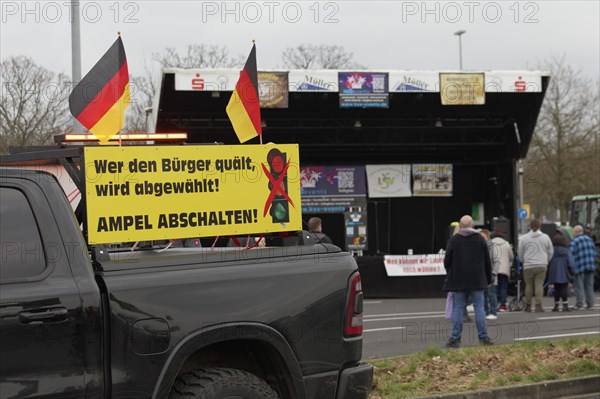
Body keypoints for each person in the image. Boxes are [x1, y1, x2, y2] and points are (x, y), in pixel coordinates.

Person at [443, 215, 493, 348]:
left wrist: (451, 274)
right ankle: (483, 337)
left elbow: (447, 260)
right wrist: (488, 279)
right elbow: (487, 261)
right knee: (479, 308)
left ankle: (455, 339)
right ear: (472, 225)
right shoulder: (480, 240)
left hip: (458, 280)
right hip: (477, 279)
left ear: (460, 226)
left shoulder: (454, 240)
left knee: (458, 308)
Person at [518, 219, 553, 313]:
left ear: (529, 226)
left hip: (528, 265)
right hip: (542, 264)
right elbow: (550, 251)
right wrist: (546, 260)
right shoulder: (546, 237)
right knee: (539, 284)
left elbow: (520, 252)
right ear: (540, 226)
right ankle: (538, 306)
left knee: (528, 285)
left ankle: (528, 306)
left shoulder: (523, 238)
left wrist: (523, 261)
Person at [570, 225, 597, 311]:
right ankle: (590, 304)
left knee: (579, 286)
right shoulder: (590, 240)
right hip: (590, 265)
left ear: (576, 232)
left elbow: (570, 255)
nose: (573, 233)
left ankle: (579, 304)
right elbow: (594, 253)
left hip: (579, 266)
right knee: (589, 285)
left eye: (573, 231)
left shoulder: (574, 241)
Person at [547, 234, 576, 312]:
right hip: (564, 273)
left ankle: (556, 306)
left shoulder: (551, 251)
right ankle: (565, 306)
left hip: (553, 272)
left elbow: (548, 261)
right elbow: (571, 263)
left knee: (556, 288)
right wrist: (573, 272)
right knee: (563, 288)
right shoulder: (566, 251)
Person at [490, 231, 514, 312]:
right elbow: (511, 256)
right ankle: (503, 305)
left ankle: (495, 304)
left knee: (494, 287)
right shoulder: (506, 244)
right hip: (504, 269)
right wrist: (509, 264)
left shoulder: (491, 243)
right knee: (503, 287)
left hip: (494, 269)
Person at [480, 229, 498, 320]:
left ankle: (493, 312)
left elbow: (496, 261)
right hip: (482, 274)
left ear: (487, 237)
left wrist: (494, 273)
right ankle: (485, 312)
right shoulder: (480, 246)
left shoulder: (492, 247)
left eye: (482, 237)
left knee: (491, 294)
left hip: (490, 274)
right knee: (483, 294)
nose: (481, 238)